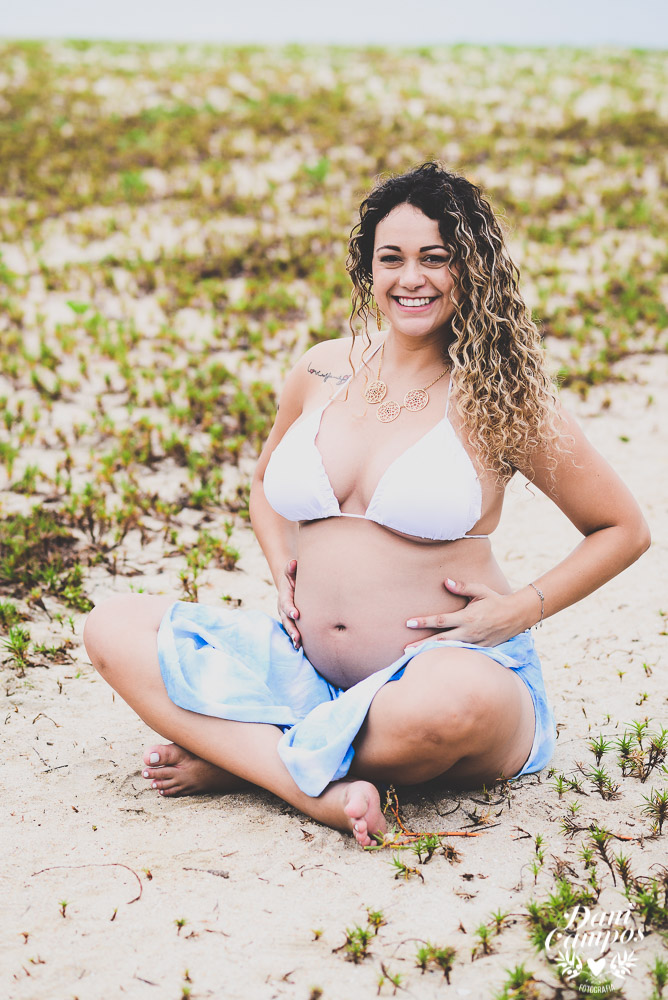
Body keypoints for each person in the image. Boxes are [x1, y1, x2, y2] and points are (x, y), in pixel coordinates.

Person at [83, 162, 650, 848]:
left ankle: (247, 762)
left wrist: (517, 609)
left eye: (436, 258)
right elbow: (265, 486)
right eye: (393, 258)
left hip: (449, 676)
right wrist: (280, 564)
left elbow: (622, 528)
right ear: (368, 270)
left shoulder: (502, 396)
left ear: (472, 269)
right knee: (111, 628)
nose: (412, 278)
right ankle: (303, 776)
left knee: (449, 707)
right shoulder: (322, 368)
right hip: (309, 673)